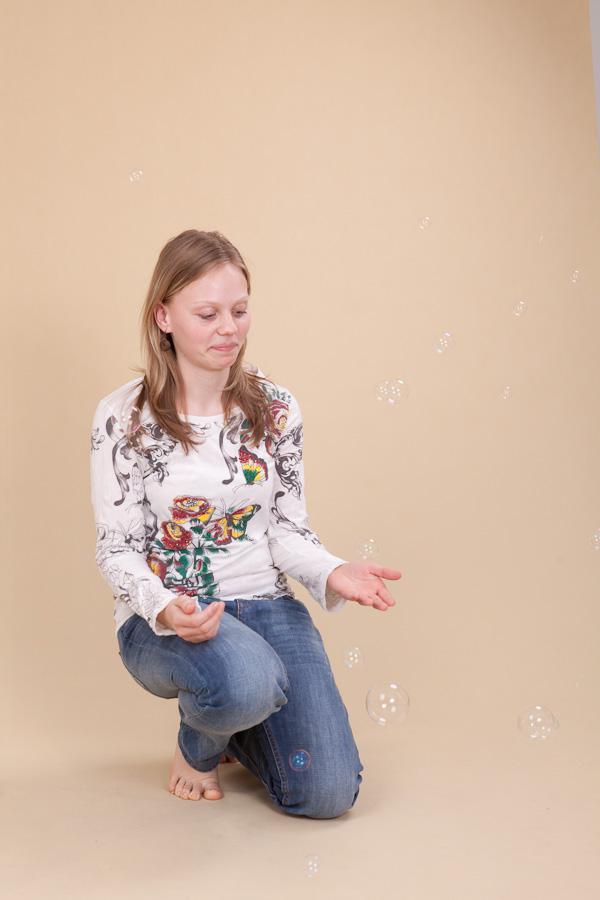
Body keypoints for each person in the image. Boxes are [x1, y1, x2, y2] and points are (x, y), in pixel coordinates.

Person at [89, 228, 401, 818]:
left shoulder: (276, 407)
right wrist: (165, 608)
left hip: (266, 604)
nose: (228, 329)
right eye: (207, 314)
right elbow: (116, 549)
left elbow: (286, 531)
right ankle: (200, 746)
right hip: (166, 620)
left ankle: (235, 715)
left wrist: (332, 572)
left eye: (239, 310)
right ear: (163, 317)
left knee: (329, 794)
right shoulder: (123, 416)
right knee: (247, 680)